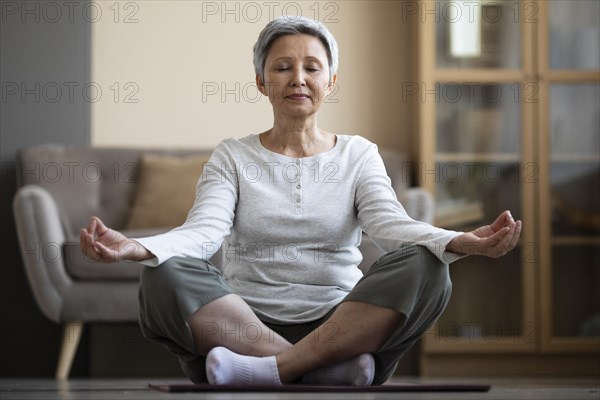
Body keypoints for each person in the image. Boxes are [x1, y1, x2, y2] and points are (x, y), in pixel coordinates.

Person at [80, 16, 521, 386]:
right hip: (243, 326)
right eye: (283, 67)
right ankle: (323, 369)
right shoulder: (233, 155)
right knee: (163, 272)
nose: (298, 79)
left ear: (331, 80)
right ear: (260, 81)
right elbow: (203, 233)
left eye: (312, 67)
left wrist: (458, 240)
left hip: (340, 323)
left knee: (427, 264)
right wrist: (139, 249)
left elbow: (391, 227)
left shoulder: (358, 154)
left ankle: (272, 370)